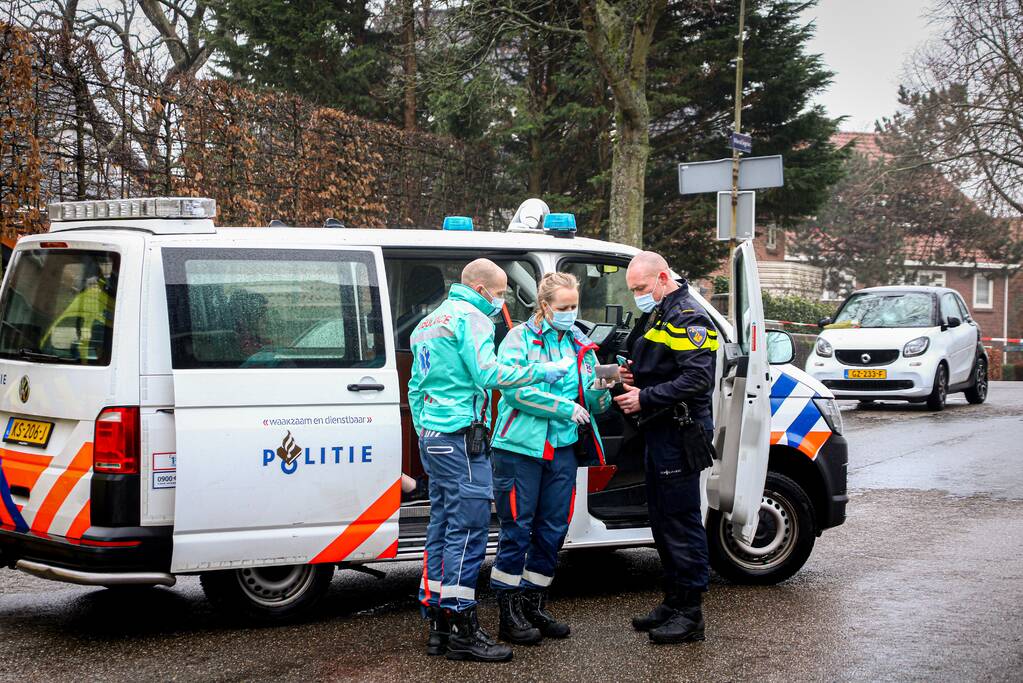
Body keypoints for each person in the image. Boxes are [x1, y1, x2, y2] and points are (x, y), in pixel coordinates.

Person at [407, 258, 574, 663]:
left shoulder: (427, 323)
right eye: (499, 294)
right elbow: (486, 373)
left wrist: (425, 432)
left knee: (443, 525)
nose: (500, 302)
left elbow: (414, 388)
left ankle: (439, 623)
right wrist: (541, 372)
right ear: (481, 289)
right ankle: (464, 629)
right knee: (469, 531)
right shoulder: (472, 319)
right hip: (463, 437)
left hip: (434, 436)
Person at [488, 272, 612, 645]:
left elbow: (592, 402)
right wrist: (563, 408)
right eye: (564, 307)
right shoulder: (518, 339)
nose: (571, 313)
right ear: (545, 306)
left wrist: (602, 390)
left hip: (562, 450)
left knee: (553, 531)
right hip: (519, 449)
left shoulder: (579, 342)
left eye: (574, 306)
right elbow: (514, 392)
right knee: (517, 530)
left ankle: (533, 603)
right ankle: (508, 613)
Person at [613, 251, 719, 645]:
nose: (637, 295)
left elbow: (697, 380)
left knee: (681, 520)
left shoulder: (689, 316)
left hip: (680, 430)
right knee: (661, 518)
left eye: (641, 288)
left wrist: (646, 397)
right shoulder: (660, 310)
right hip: (661, 429)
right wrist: (632, 373)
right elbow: (662, 363)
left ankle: (691, 614)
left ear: (661, 277)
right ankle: (673, 602)